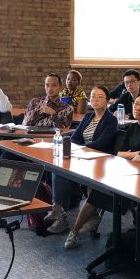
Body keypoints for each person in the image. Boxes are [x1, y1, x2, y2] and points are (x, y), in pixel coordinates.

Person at [64, 92, 140, 249]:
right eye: (136, 104)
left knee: (99, 191)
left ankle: (76, 230)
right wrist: (134, 153)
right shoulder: (132, 127)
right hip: (128, 172)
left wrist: (135, 155)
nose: (138, 108)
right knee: (96, 188)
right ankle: (77, 229)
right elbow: (119, 153)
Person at [46, 85, 118, 235]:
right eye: (93, 96)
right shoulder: (88, 116)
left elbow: (101, 143)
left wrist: (81, 148)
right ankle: (58, 206)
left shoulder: (111, 120)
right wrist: (79, 149)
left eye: (100, 97)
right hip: (83, 157)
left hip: (100, 161)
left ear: (107, 101)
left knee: (65, 170)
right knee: (57, 168)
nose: (95, 99)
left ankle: (68, 211)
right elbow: (75, 138)